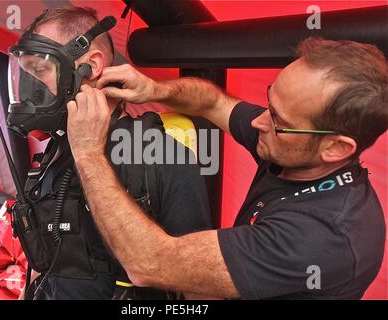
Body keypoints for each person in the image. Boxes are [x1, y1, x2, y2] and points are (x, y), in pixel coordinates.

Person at [66, 37, 387, 299]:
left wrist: (88, 151)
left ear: (335, 148)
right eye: (270, 102)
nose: (259, 121)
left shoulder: (321, 237)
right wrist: (154, 90)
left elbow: (148, 263)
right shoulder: (296, 145)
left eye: (278, 121)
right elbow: (214, 103)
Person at [9, 6, 213, 300]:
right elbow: (46, 264)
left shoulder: (164, 159)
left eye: (39, 71)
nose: (29, 89)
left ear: (91, 66)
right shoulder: (53, 155)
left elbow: (201, 291)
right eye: (25, 73)